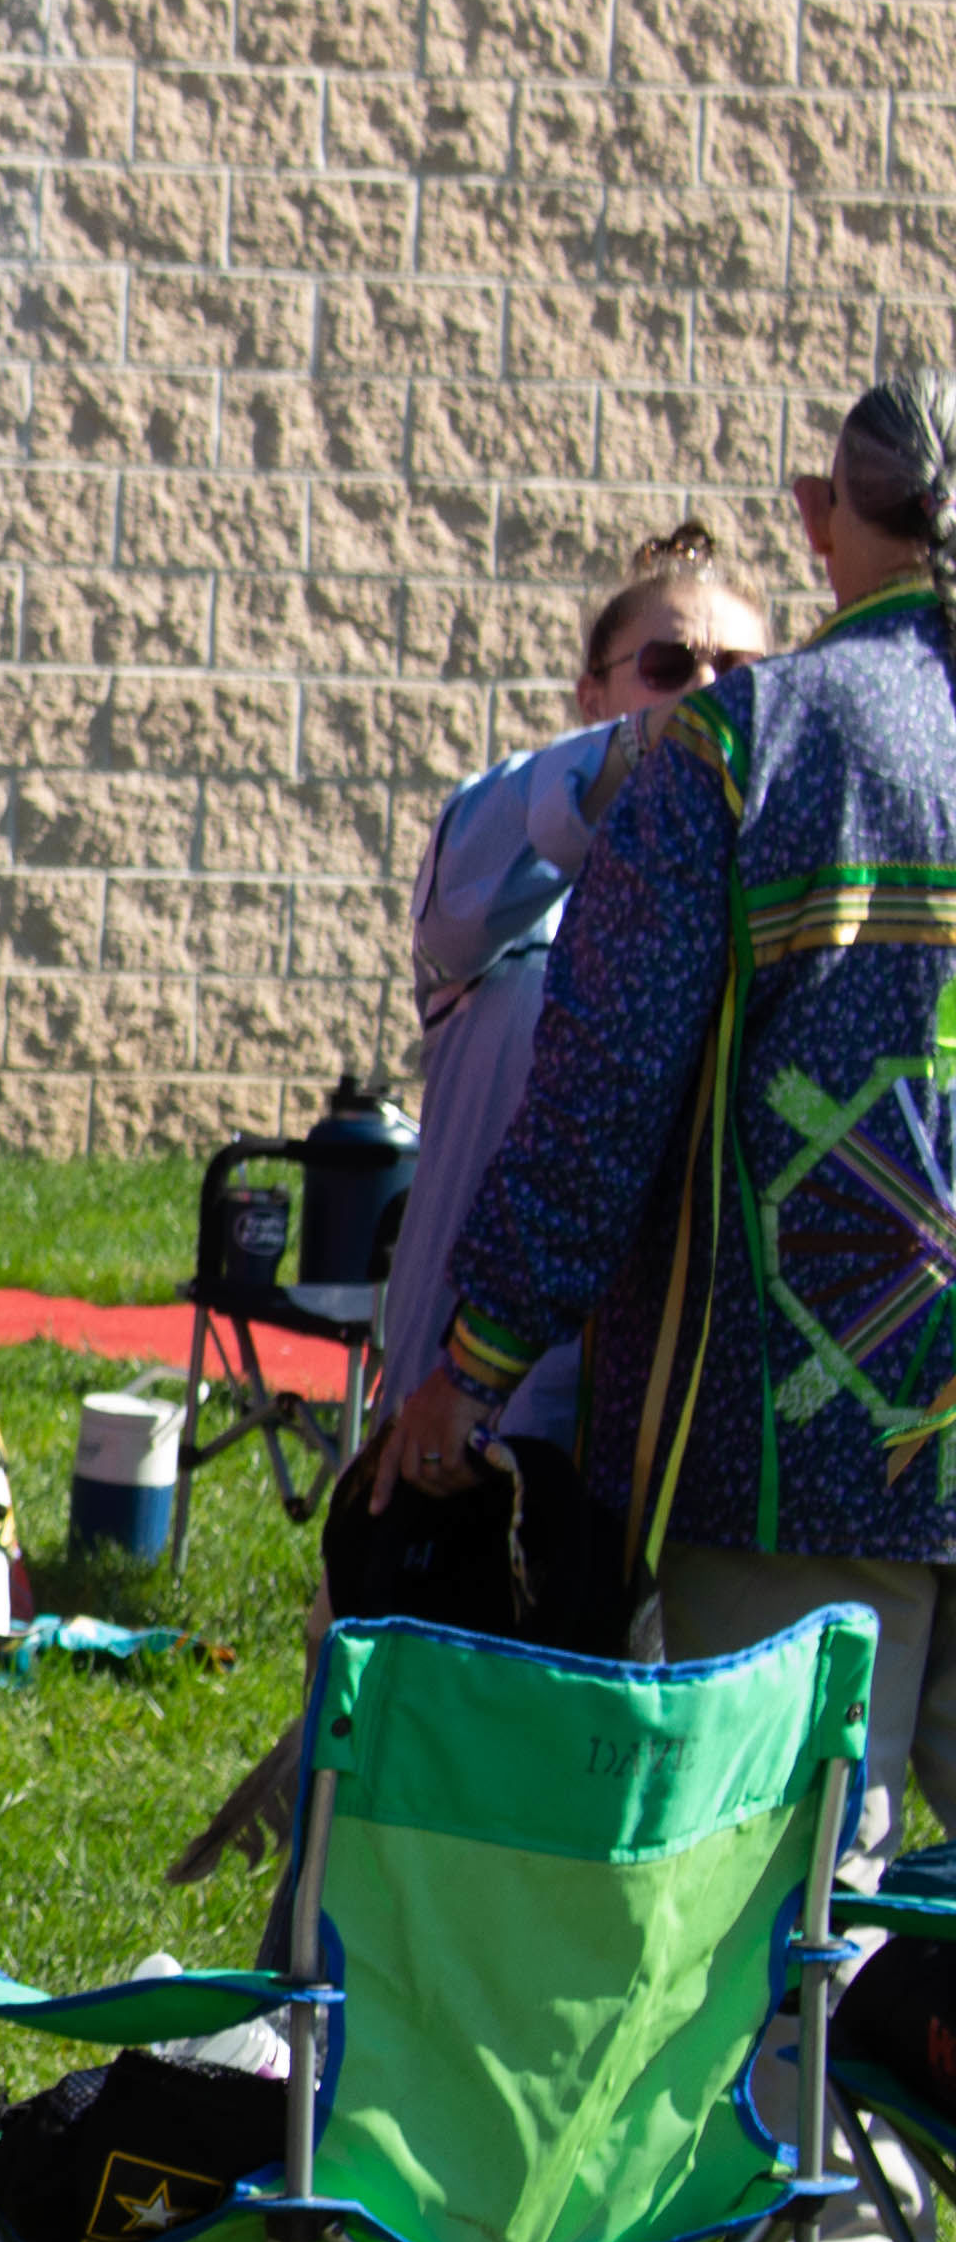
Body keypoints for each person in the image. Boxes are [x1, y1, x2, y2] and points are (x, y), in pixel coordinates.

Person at [387, 376, 956, 1856]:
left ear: (822, 523)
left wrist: (476, 1356)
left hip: (793, 1446)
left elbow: (604, 1091)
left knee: (790, 1898)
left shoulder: (741, 748)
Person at [375, 523, 771, 1442]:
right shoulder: (511, 849)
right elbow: (464, 888)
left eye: (739, 672)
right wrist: (648, 745)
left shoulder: (768, 896)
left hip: (667, 1419)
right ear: (594, 691)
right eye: (670, 666)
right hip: (472, 1415)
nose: (706, 691)